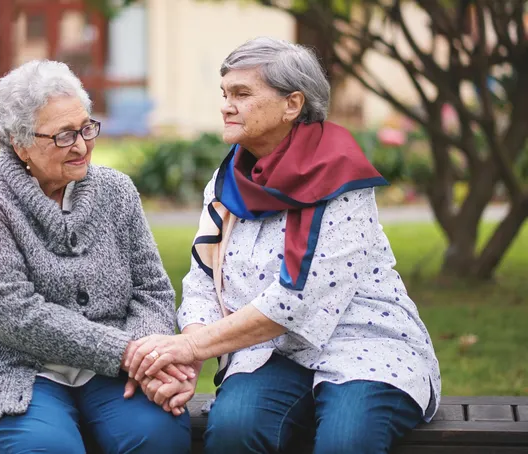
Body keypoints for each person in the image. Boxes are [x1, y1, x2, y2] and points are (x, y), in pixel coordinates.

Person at [124, 37, 442, 454]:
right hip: (270, 352)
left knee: (345, 440)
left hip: (363, 344)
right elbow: (203, 281)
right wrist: (189, 360)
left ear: (292, 104)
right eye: (225, 94)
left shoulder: (341, 180)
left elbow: (302, 299)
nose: (226, 105)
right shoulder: (227, 184)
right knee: (235, 429)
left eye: (242, 94)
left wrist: (191, 345)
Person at [0, 60, 191, 454]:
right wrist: (123, 351)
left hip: (116, 365)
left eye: (86, 128)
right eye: (64, 136)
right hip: (12, 365)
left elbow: (151, 289)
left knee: (158, 437)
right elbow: (9, 313)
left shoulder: (116, 191)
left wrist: (145, 356)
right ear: (20, 143)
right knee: (48, 448)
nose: (82, 146)